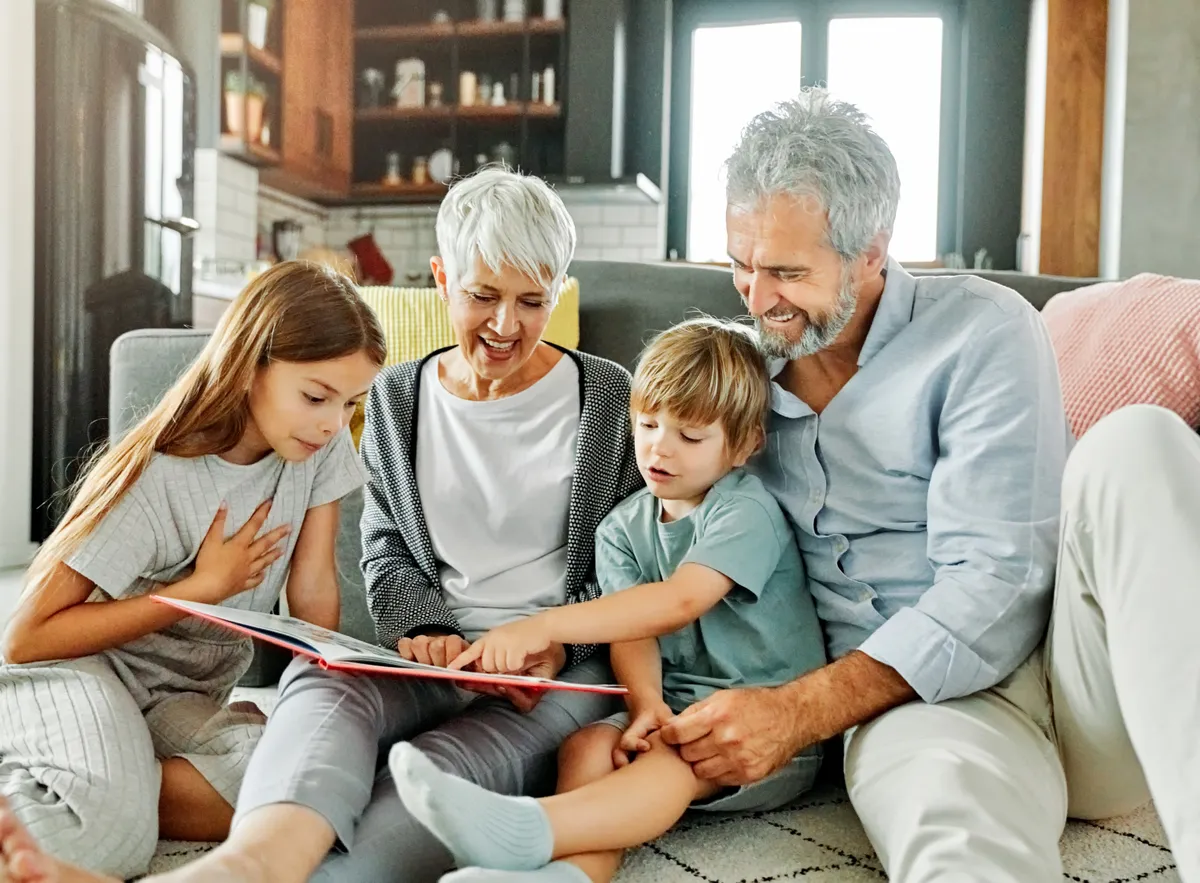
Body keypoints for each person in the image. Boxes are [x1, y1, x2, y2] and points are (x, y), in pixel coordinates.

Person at [9, 167, 641, 883]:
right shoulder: (398, 397)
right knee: (319, 696)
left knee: (415, 772)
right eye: (483, 295)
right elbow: (388, 551)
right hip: (426, 663)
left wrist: (554, 640)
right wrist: (424, 630)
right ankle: (233, 858)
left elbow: (628, 562)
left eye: (534, 299)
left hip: (548, 673)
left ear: (559, 289)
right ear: (442, 280)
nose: (506, 324)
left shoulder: (610, 397)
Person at [638, 88, 1200, 882]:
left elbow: (998, 580)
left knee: (1139, 442)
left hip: (1082, 675)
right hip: (919, 709)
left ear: (872, 249)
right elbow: (644, 500)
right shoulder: (732, 377)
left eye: (788, 272)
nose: (758, 299)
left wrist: (798, 710)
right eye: (739, 265)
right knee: (958, 846)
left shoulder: (984, 328)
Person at [386, 317, 827, 883]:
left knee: (676, 760)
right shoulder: (622, 526)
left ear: (744, 445)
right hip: (678, 705)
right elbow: (632, 630)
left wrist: (545, 626)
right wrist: (644, 703)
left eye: (690, 437)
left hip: (767, 731)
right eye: (647, 425)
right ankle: (564, 877)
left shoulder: (746, 509)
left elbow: (679, 600)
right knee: (589, 746)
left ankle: (527, 826)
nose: (659, 449)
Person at [0, 261, 386, 881]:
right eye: (315, 396)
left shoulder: (316, 449)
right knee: (105, 840)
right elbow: (27, 639)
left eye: (351, 403)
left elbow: (311, 587)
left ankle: (99, 776)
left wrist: (318, 699)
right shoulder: (160, 471)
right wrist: (199, 591)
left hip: (177, 699)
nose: (333, 422)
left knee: (311, 778)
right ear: (248, 365)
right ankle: (83, 779)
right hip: (77, 672)